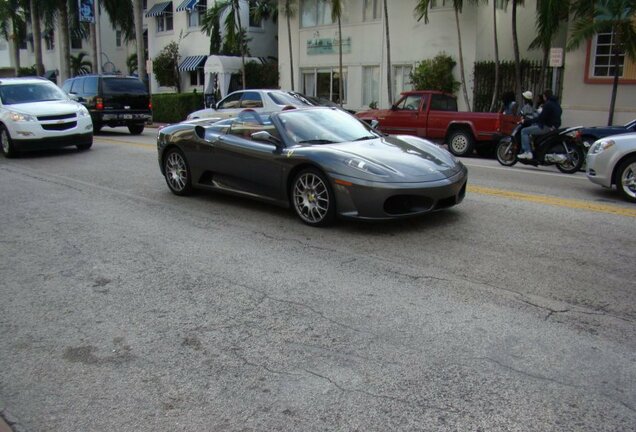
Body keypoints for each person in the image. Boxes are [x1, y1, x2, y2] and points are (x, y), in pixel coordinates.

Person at [518, 89, 562, 160]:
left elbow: (541, 118)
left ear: (545, 96)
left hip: (546, 126)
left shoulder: (548, 104)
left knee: (524, 131)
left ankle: (527, 152)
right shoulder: (557, 104)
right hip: (554, 127)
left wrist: (527, 121)